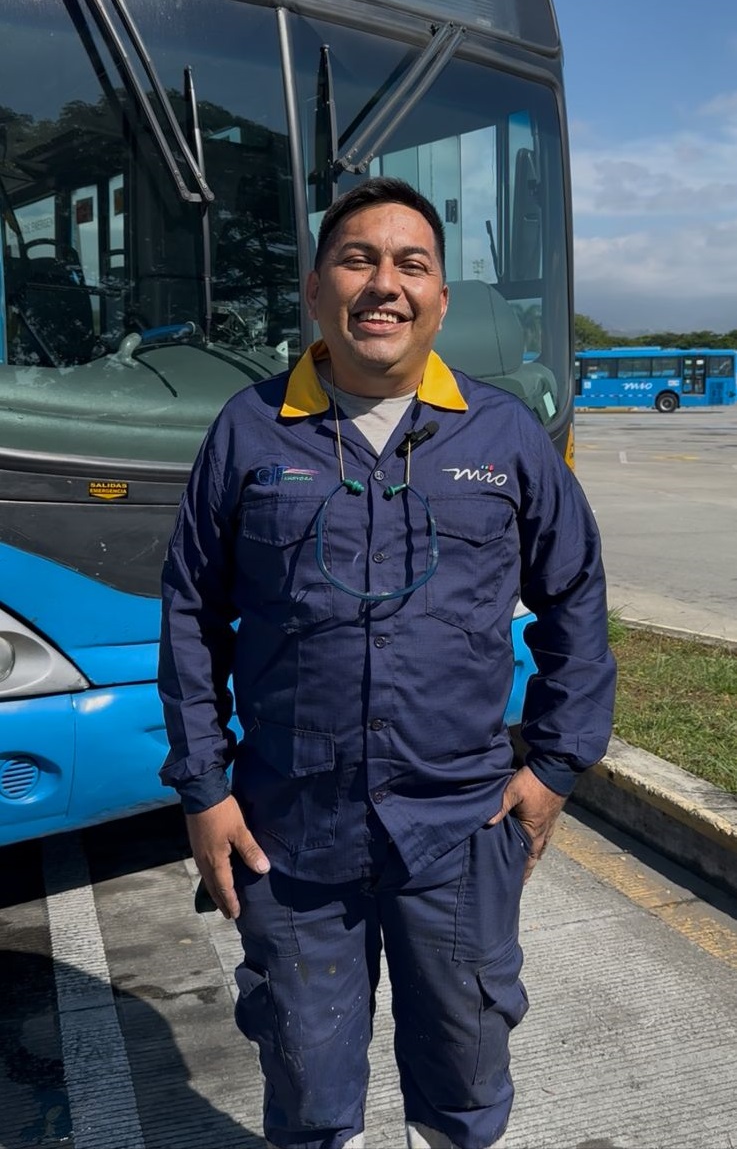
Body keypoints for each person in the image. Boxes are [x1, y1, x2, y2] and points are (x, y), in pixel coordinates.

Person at [158, 177, 616, 1149]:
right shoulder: (246, 431)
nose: (385, 284)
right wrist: (203, 787)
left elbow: (573, 596)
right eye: (358, 259)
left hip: (457, 830)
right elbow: (191, 610)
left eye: (412, 263)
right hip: (288, 836)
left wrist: (555, 763)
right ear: (317, 290)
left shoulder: (504, 439)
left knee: (461, 1084)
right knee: (309, 1092)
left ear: (441, 300)